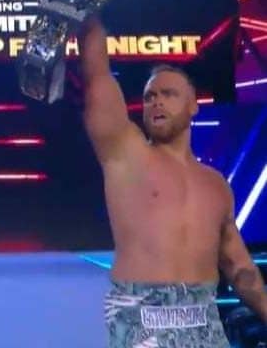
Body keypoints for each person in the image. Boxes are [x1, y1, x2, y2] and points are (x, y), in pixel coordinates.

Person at [78, 18, 267, 347]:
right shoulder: (127, 156)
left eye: (168, 94)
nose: (156, 102)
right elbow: (97, 77)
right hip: (142, 320)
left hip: (204, 323)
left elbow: (240, 270)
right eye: (150, 96)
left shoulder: (215, 185)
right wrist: (89, 20)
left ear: (193, 106)